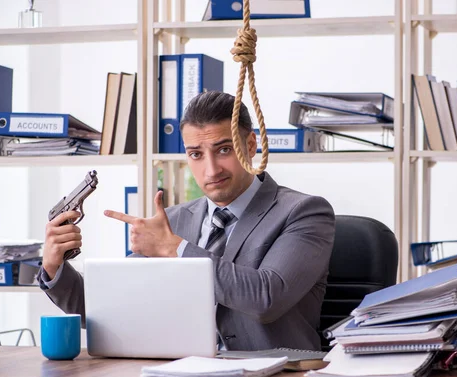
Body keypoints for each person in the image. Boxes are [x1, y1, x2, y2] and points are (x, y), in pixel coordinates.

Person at [38, 91, 336, 351]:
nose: (210, 169)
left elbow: (266, 298)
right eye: (195, 154)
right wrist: (55, 266)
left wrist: (177, 249)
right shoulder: (176, 221)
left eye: (223, 150)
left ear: (250, 145)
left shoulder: (304, 211)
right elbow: (110, 309)